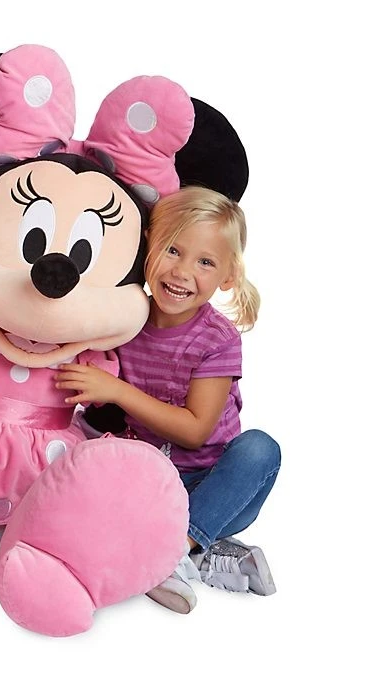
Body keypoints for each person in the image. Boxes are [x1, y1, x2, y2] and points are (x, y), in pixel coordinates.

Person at [55, 186, 281, 614]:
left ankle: (174, 550)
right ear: (147, 247)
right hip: (143, 482)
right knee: (80, 462)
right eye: (173, 250)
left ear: (228, 276)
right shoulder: (124, 318)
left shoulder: (217, 339)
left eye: (205, 262)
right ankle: (203, 552)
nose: (182, 272)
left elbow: (195, 431)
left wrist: (117, 391)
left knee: (260, 449)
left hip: (210, 486)